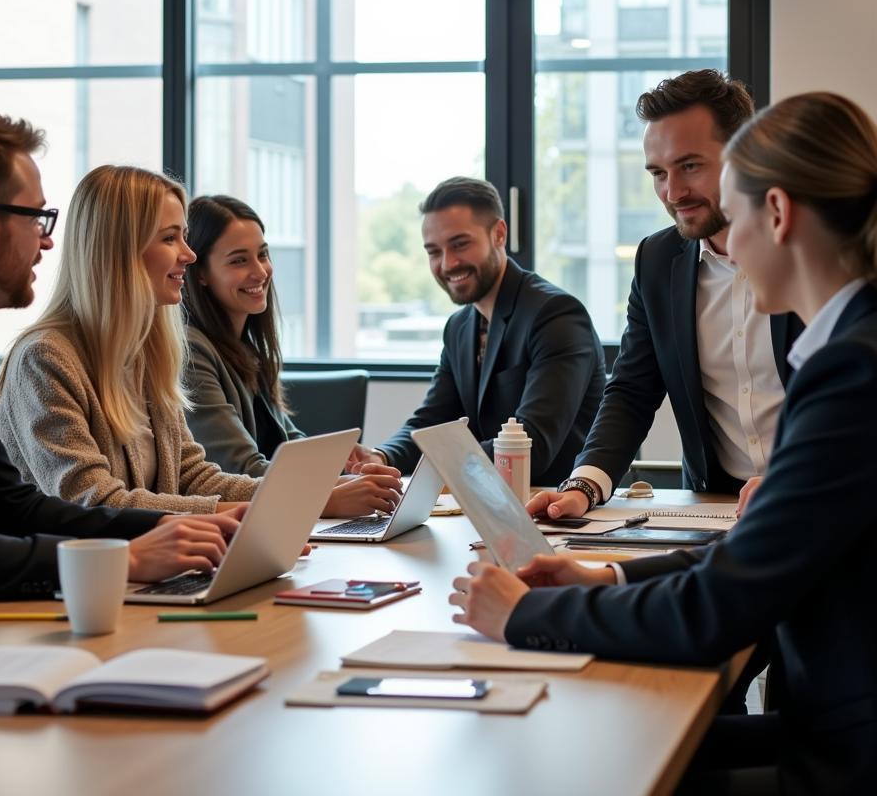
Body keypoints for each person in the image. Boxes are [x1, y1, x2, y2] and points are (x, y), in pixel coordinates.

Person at [450, 92, 877, 792]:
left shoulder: (850, 369)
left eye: (735, 218)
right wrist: (608, 574)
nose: (727, 247)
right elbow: (751, 554)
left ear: (776, 213)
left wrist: (530, 613)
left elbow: (720, 607)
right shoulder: (852, 344)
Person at [0, 111, 238, 622]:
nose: (49, 240)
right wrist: (124, 559)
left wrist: (169, 527)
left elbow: (13, 506)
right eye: (37, 218)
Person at [0, 175, 399, 520]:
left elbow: (195, 476)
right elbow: (95, 503)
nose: (188, 255)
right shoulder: (45, 358)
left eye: (183, 237)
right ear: (120, 253)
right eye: (171, 238)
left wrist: (322, 490)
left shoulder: (146, 353)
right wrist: (308, 502)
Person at [532, 70, 803, 522]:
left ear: (747, 156)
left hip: (820, 496)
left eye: (690, 166)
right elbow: (633, 389)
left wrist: (799, 476)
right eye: (658, 173)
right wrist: (584, 484)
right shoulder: (657, 259)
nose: (673, 192)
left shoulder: (807, 249)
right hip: (716, 508)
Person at [349, 177, 605, 484]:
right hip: (491, 507)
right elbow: (432, 421)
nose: (447, 264)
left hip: (560, 508)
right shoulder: (459, 327)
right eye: (433, 251)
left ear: (499, 234)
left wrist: (432, 465)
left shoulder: (555, 314)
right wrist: (382, 457)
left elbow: (531, 448)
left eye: (460, 244)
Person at [182, 194, 403, 515]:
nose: (260, 272)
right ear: (199, 272)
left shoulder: (245, 349)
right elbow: (242, 468)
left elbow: (290, 447)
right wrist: (334, 493)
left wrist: (342, 462)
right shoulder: (190, 351)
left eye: (263, 254)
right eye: (239, 260)